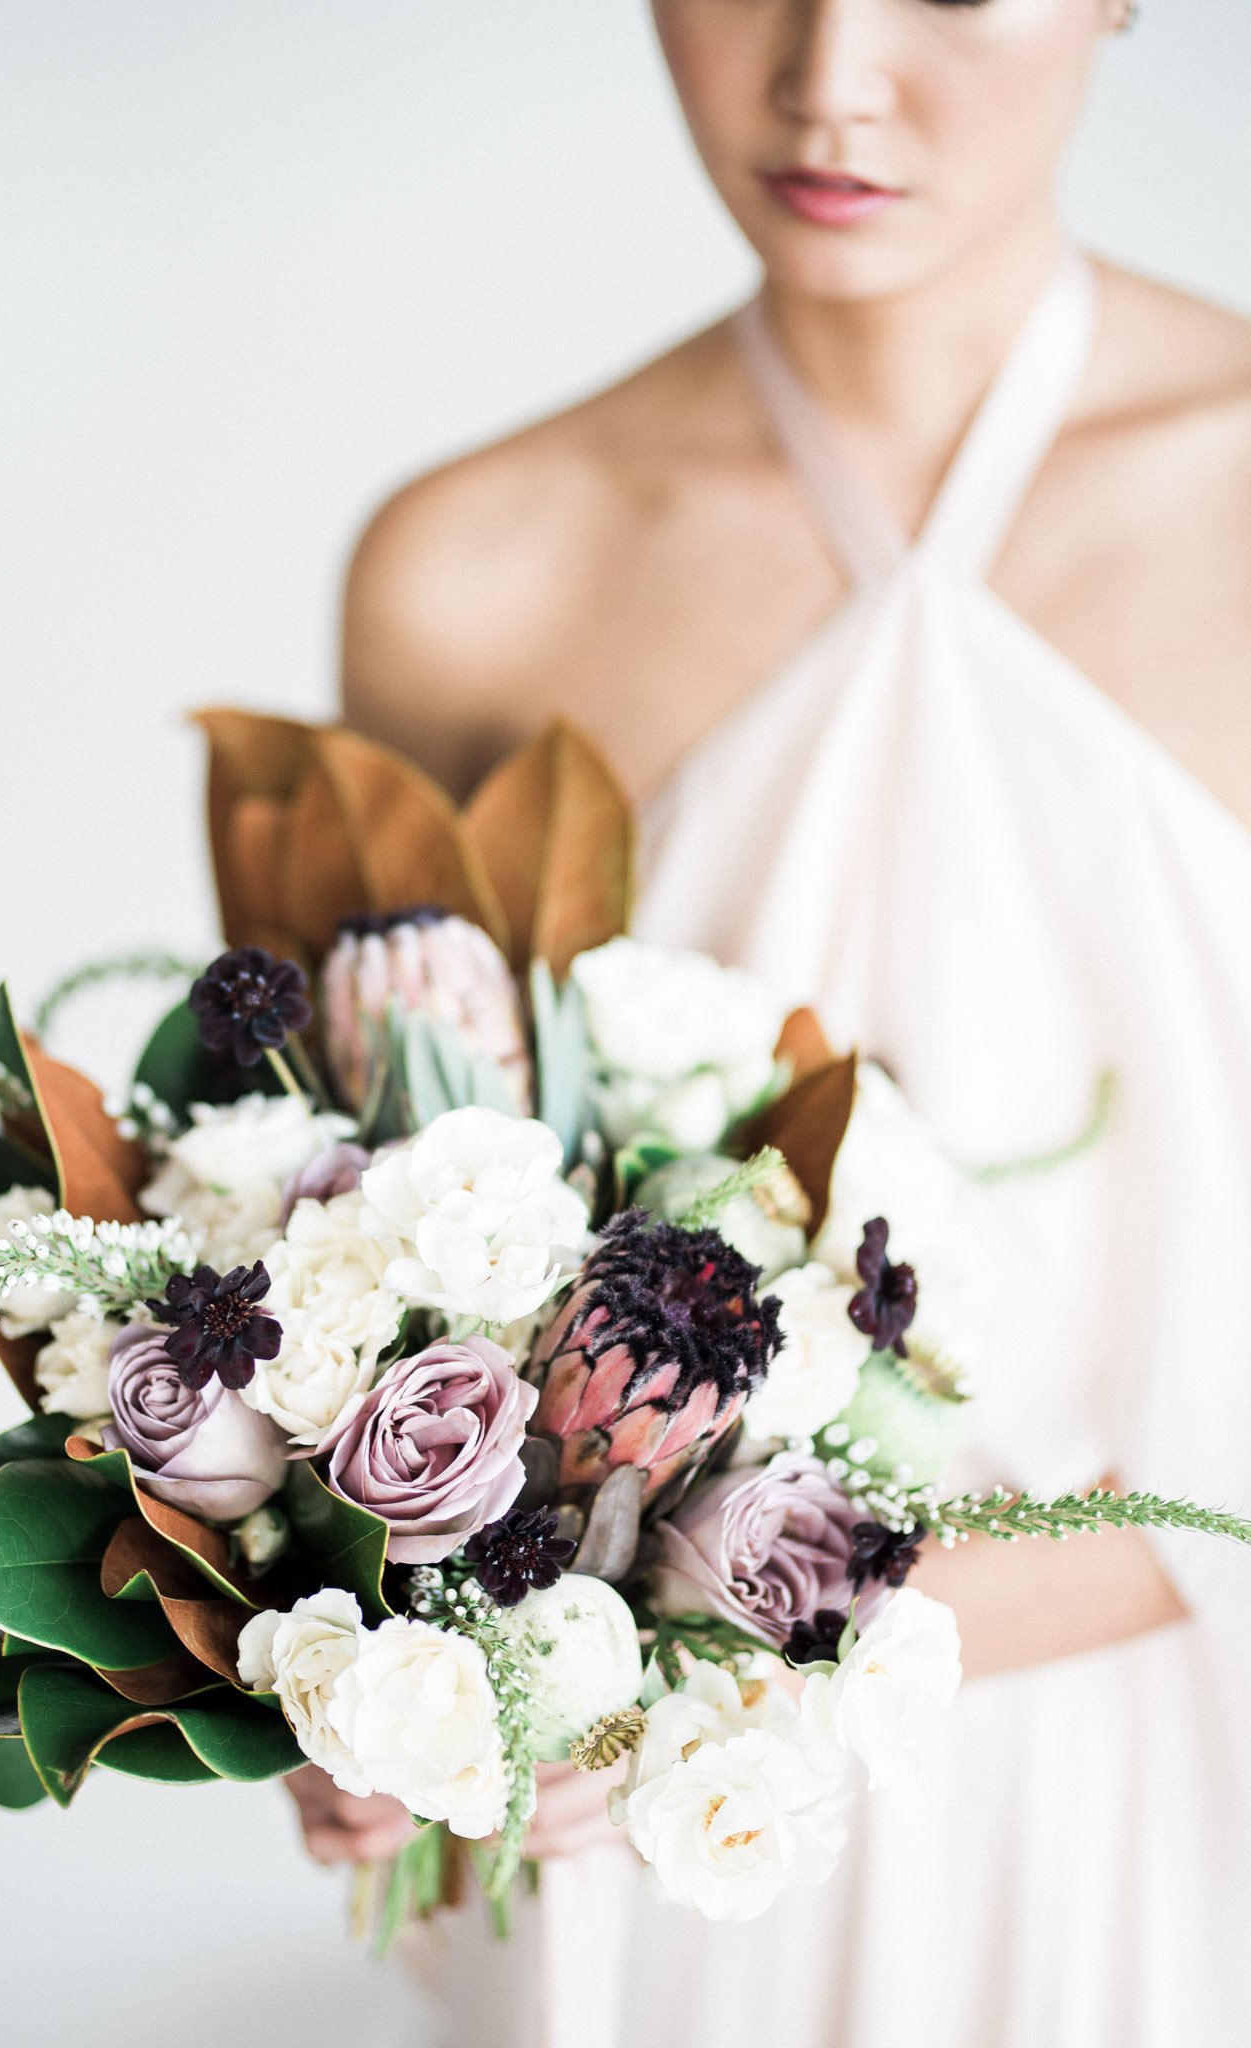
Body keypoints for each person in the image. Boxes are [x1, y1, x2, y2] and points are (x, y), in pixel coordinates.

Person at [291, 3, 1251, 2042]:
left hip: (1167, 1788)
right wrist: (357, 1665)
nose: (829, 75)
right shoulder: (474, 574)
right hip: (636, 1874)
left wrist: (770, 1637)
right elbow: (354, 1259)